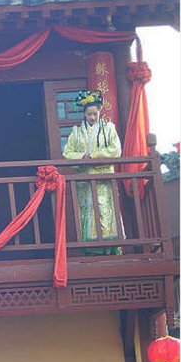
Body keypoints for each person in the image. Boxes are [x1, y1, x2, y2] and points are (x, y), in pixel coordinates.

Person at [62, 90, 123, 255]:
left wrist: (94, 156)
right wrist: (82, 156)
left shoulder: (109, 129)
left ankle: (111, 248)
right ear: (84, 114)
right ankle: (91, 250)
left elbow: (115, 150)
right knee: (87, 213)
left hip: (104, 178)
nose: (92, 117)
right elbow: (67, 153)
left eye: (95, 114)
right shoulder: (76, 132)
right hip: (85, 181)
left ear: (100, 112)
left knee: (105, 211)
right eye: (89, 114)